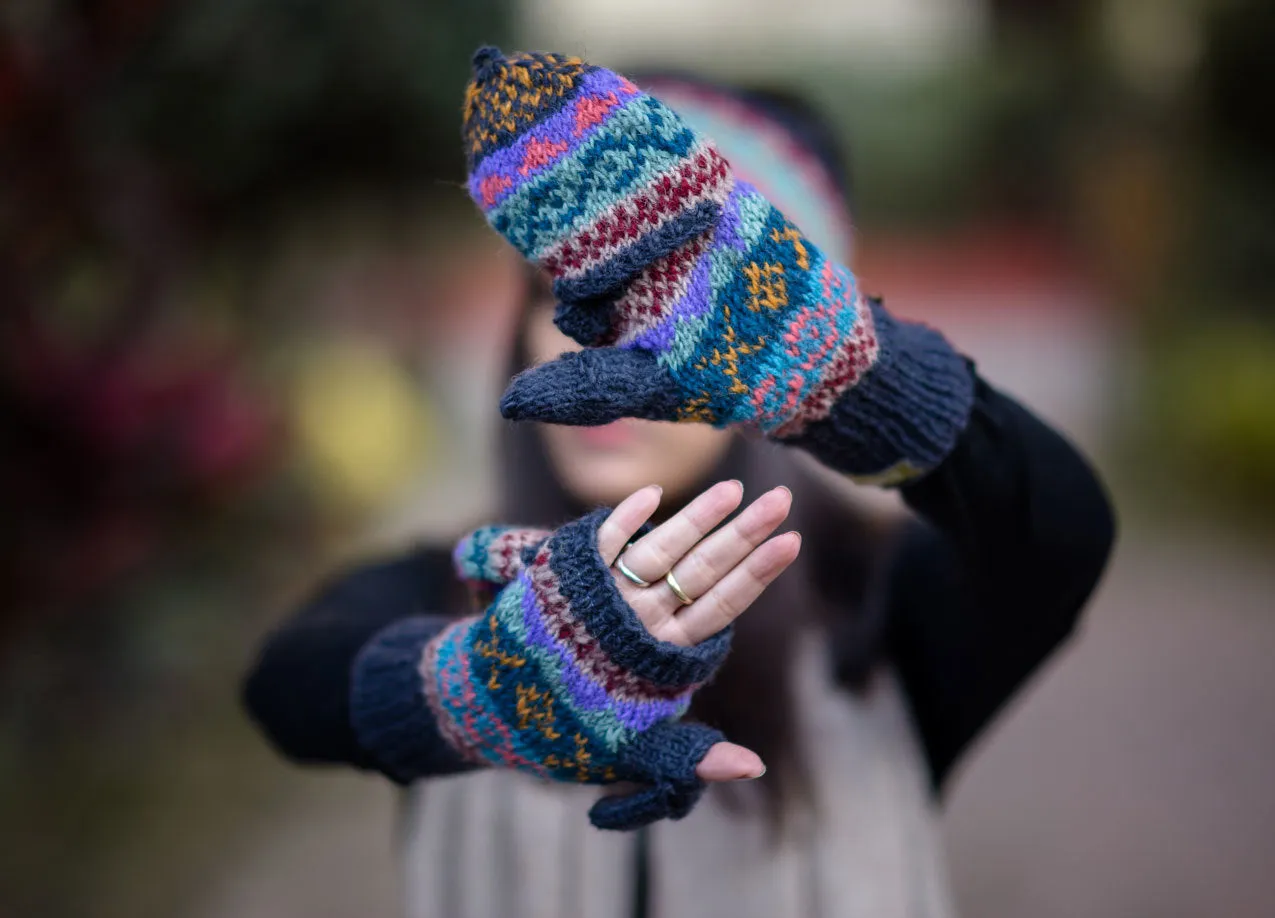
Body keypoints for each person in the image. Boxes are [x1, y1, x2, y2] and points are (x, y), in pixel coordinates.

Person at [243, 49, 1115, 918]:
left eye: (670, 307)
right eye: (569, 295)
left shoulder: (880, 602)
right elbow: (288, 688)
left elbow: (1061, 530)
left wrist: (858, 385)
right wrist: (476, 690)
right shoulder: (459, 589)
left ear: (773, 354)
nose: (603, 343)